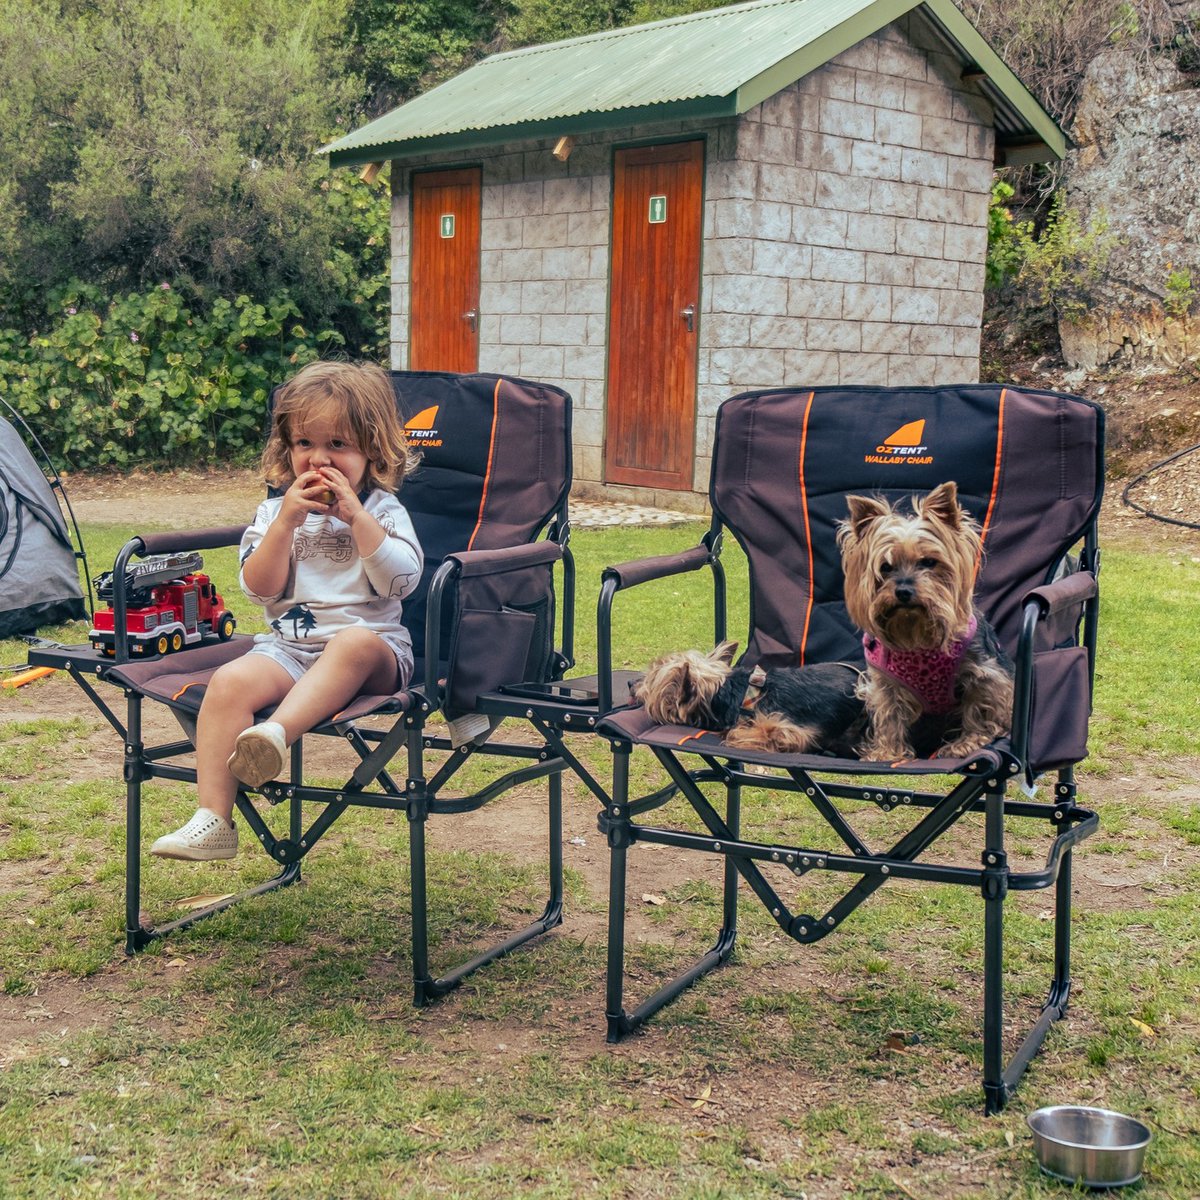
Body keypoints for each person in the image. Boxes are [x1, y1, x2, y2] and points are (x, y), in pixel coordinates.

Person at [150, 360, 423, 861]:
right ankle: (213, 820)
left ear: (372, 450)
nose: (319, 458)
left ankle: (276, 733)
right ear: (286, 448)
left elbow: (402, 581)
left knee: (352, 643)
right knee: (230, 683)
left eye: (337, 444)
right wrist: (284, 526)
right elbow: (259, 590)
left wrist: (357, 519)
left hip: (374, 653)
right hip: (290, 650)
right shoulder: (275, 514)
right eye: (304, 443)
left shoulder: (382, 511)